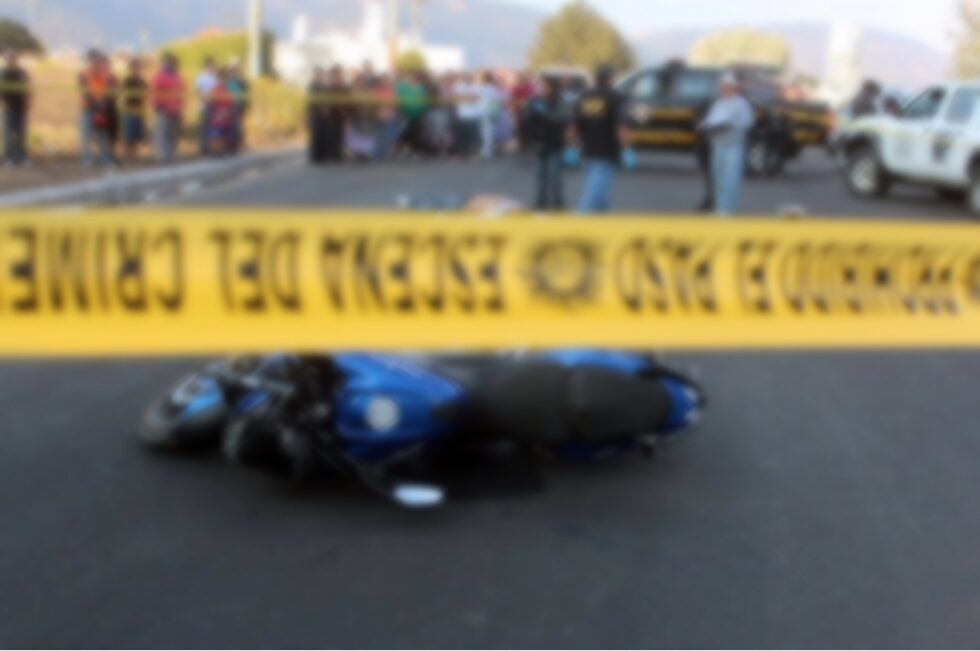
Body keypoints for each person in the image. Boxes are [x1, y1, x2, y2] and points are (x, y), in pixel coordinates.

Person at [572, 64, 629, 214]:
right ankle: (580, 222)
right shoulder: (615, 97)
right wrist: (627, 148)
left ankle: (603, 221)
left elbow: (575, 124)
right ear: (611, 79)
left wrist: (571, 145)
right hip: (607, 149)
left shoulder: (585, 96)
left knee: (599, 190)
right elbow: (621, 125)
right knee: (595, 192)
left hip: (588, 147)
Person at [698, 72, 755, 216]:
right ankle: (719, 207)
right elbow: (711, 119)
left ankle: (728, 209)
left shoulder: (741, 103)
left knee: (731, 178)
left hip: (733, 146)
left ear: (733, 86)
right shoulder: (719, 103)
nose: (724, 88)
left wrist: (731, 125)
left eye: (727, 85)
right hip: (718, 145)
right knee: (718, 177)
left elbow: (748, 122)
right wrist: (705, 125)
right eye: (723, 85)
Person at [524, 76, 568, 211]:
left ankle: (557, 202)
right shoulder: (534, 101)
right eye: (542, 86)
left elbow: (562, 119)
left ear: (553, 87)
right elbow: (526, 120)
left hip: (555, 142)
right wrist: (529, 140)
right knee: (541, 175)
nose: (543, 89)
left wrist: (545, 113)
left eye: (546, 86)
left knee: (554, 175)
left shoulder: (560, 101)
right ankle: (541, 202)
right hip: (539, 142)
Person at [78, 50, 119, 167]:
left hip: (103, 110)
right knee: (87, 135)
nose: (96, 63)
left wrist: (104, 103)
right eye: (93, 60)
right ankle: (87, 159)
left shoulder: (106, 76)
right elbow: (85, 92)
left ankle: (104, 158)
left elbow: (111, 91)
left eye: (97, 60)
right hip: (88, 109)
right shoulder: (84, 75)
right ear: (89, 61)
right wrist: (97, 102)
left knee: (103, 135)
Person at [307, 66, 348, 164]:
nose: (320, 76)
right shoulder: (315, 86)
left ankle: (333, 154)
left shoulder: (328, 87)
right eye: (318, 74)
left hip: (333, 115)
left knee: (334, 135)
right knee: (318, 135)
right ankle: (317, 156)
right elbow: (312, 102)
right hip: (319, 114)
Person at [150, 52, 185, 164]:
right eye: (170, 62)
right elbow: (155, 90)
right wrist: (157, 105)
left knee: (173, 133)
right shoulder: (160, 76)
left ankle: (171, 154)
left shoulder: (177, 77)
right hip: (164, 108)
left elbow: (181, 92)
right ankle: (162, 155)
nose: (172, 64)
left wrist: (181, 106)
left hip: (176, 109)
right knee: (162, 132)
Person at [0, 48, 30, 167]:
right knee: (9, 134)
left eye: (13, 57)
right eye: (9, 57)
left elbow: (28, 87)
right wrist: (3, 103)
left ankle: (22, 157)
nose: (11, 59)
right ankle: (10, 158)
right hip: (9, 108)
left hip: (21, 107)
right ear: (6, 59)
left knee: (21, 133)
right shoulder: (3, 73)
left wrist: (28, 102)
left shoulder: (22, 72)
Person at [120, 57, 148, 162]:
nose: (138, 69)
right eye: (136, 67)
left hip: (139, 111)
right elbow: (123, 94)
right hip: (129, 110)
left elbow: (146, 93)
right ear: (131, 68)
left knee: (137, 135)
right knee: (128, 135)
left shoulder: (142, 81)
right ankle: (127, 156)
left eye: (139, 67)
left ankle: (135, 156)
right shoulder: (128, 80)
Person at [397, 70, 430, 156]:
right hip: (405, 113)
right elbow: (399, 99)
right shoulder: (402, 87)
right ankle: (402, 149)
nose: (412, 79)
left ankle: (414, 150)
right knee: (404, 132)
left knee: (416, 132)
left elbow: (424, 100)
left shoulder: (421, 87)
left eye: (415, 77)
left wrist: (423, 113)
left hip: (418, 114)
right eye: (410, 77)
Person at [453, 72, 482, 158]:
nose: (467, 79)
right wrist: (468, 97)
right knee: (462, 136)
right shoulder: (459, 86)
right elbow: (456, 98)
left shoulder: (476, 87)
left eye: (469, 78)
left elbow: (476, 98)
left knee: (473, 136)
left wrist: (464, 97)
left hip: (473, 116)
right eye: (466, 77)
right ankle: (462, 153)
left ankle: (474, 153)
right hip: (462, 115)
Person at [226, 59, 250, 154]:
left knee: (239, 125)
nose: (235, 70)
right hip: (230, 104)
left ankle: (238, 144)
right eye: (234, 68)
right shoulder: (228, 79)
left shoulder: (240, 79)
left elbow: (247, 87)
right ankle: (232, 144)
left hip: (239, 104)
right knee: (233, 125)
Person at [196, 57, 219, 155]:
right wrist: (205, 99)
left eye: (214, 65)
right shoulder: (202, 77)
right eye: (212, 65)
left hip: (215, 106)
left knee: (213, 128)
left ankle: (213, 148)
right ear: (207, 66)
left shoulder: (216, 78)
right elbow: (198, 91)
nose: (213, 67)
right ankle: (204, 148)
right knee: (205, 127)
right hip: (205, 105)